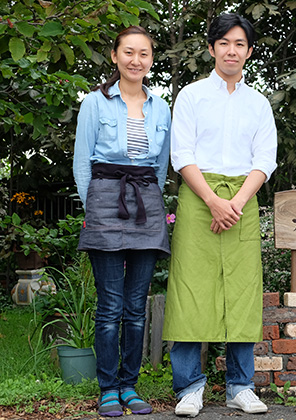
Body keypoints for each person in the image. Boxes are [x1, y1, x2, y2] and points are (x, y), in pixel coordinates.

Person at [162, 13, 277, 417]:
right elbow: (182, 155)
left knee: (242, 293)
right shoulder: (192, 96)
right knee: (192, 290)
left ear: (249, 51)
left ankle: (239, 386)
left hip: (243, 200)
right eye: (225, 42)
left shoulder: (259, 103)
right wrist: (213, 201)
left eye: (240, 43)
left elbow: (265, 159)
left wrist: (236, 202)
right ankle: (189, 387)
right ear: (211, 48)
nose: (232, 50)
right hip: (198, 199)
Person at [73, 26, 171, 417]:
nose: (136, 60)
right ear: (115, 56)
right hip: (104, 201)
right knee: (110, 305)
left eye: (143, 53)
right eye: (128, 52)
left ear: (151, 60)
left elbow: (160, 168)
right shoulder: (95, 104)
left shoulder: (161, 108)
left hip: (145, 202)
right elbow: (83, 164)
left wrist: (149, 198)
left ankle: (130, 385)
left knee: (136, 306)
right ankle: (108, 387)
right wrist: (95, 207)